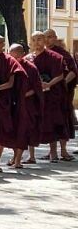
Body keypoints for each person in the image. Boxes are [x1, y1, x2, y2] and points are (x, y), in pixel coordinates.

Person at [0, 35, 29, 172]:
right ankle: (0, 158)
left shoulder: (9, 60)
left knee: (2, 133)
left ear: (3, 44)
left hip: (6, 102)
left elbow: (11, 83)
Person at [27, 32, 68, 163]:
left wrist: (48, 84)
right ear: (31, 42)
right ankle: (31, 156)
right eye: (34, 40)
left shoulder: (55, 57)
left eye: (39, 39)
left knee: (51, 124)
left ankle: (53, 153)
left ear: (44, 41)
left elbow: (60, 75)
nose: (37, 42)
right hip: (33, 96)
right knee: (31, 124)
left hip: (50, 95)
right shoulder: (28, 58)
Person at [43, 30, 76, 161]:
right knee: (50, 122)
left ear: (55, 38)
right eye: (44, 37)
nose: (47, 40)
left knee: (62, 122)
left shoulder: (62, 54)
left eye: (50, 37)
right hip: (46, 94)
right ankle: (52, 151)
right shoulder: (40, 54)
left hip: (61, 94)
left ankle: (63, 150)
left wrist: (62, 84)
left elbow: (73, 71)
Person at [12, 42, 45, 167]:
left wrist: (24, 95)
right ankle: (15, 157)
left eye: (17, 56)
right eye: (11, 55)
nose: (14, 59)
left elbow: (37, 87)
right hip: (13, 104)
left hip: (27, 105)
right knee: (13, 132)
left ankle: (18, 160)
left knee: (23, 131)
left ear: (23, 54)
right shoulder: (10, 66)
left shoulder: (31, 68)